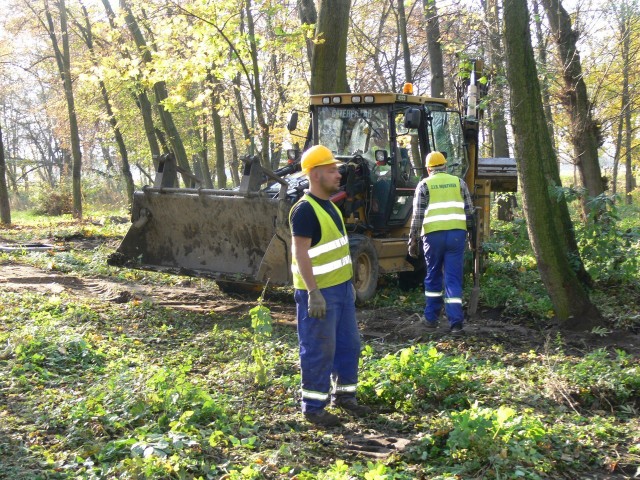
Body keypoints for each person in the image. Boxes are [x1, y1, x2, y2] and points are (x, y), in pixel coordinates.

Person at [289, 144, 372, 427]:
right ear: (314, 175)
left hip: (341, 291)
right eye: (331, 170)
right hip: (320, 294)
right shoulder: (304, 210)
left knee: (349, 345)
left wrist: (348, 286)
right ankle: (313, 408)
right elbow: (300, 253)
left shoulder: (331, 205)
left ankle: (346, 397)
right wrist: (313, 293)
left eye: (337, 169)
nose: (339, 174)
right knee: (318, 348)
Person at [407, 151, 475, 335]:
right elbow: (469, 213)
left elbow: (418, 216)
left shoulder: (424, 185)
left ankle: (431, 318)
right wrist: (472, 238)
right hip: (456, 236)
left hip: (433, 236)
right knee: (453, 278)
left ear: (429, 169)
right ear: (445, 166)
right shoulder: (459, 183)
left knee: (433, 275)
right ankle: (456, 324)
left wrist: (413, 240)